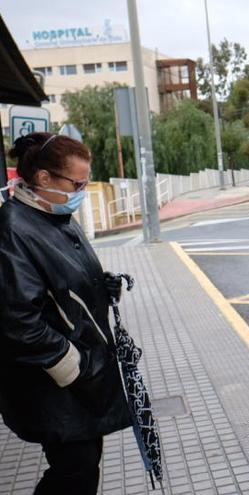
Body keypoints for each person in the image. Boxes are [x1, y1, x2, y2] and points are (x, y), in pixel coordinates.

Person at [0, 133, 131, 494]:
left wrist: (101, 285)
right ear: (43, 178)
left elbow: (61, 281)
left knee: (84, 465)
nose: (82, 191)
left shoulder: (56, 216)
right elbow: (18, 322)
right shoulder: (13, 230)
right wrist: (76, 368)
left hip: (78, 379)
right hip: (53, 384)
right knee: (75, 471)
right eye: (77, 183)